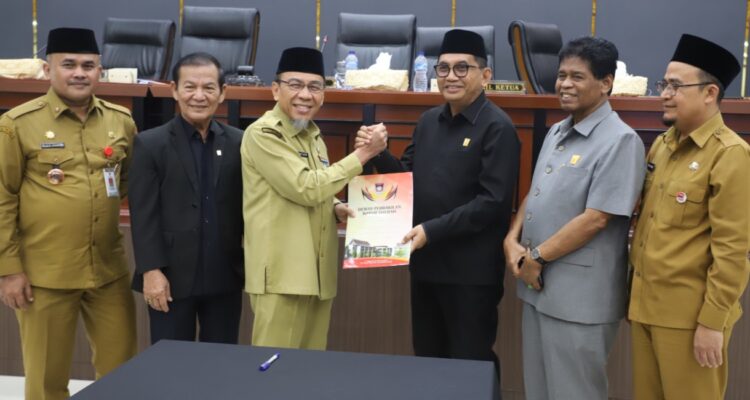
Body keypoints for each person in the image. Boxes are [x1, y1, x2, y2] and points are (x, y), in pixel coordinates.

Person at [357, 29, 520, 373]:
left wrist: (431, 230)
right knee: (428, 364)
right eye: (443, 68)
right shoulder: (428, 121)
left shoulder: (498, 128)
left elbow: (492, 203)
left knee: (469, 368)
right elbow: (406, 181)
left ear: (485, 75)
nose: (451, 76)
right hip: (426, 267)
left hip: (470, 274)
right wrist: (377, 152)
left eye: (462, 68)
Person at [503, 37, 645, 400]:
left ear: (606, 83)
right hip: (538, 288)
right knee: (538, 390)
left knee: (574, 393)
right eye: (561, 75)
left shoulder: (621, 141)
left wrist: (536, 257)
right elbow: (536, 193)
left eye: (577, 77)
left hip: (579, 300)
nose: (564, 84)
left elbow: (597, 218)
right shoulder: (557, 130)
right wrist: (511, 238)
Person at [0, 28, 137, 399]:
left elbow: (127, 183)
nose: (80, 73)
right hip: (45, 274)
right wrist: (8, 270)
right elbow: (3, 197)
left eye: (88, 66)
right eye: (69, 64)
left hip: (107, 270)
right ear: (48, 70)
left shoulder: (120, 120)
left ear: (100, 71)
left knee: (122, 373)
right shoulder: (17, 124)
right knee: (47, 380)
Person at [628, 34, 750, 400]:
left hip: (690, 319)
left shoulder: (730, 155)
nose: (665, 94)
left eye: (676, 86)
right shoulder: (663, 145)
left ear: (710, 93)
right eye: (664, 84)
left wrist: (712, 322)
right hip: (646, 308)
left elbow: (732, 251)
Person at [241, 47, 386, 350]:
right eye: (295, 85)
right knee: (275, 369)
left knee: (310, 367)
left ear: (323, 94)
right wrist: (363, 154)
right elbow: (306, 188)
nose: (305, 95)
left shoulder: (313, 136)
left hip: (316, 275)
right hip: (282, 276)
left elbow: (310, 189)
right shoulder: (264, 134)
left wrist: (336, 207)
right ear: (275, 89)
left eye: (314, 87)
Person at [129, 53, 244, 344]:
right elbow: (143, 216)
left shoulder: (240, 142)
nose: (199, 96)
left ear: (222, 93)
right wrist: (151, 271)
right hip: (170, 278)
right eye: (190, 87)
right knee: (171, 362)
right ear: (174, 90)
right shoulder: (150, 144)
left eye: (208, 88)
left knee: (221, 361)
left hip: (224, 276)